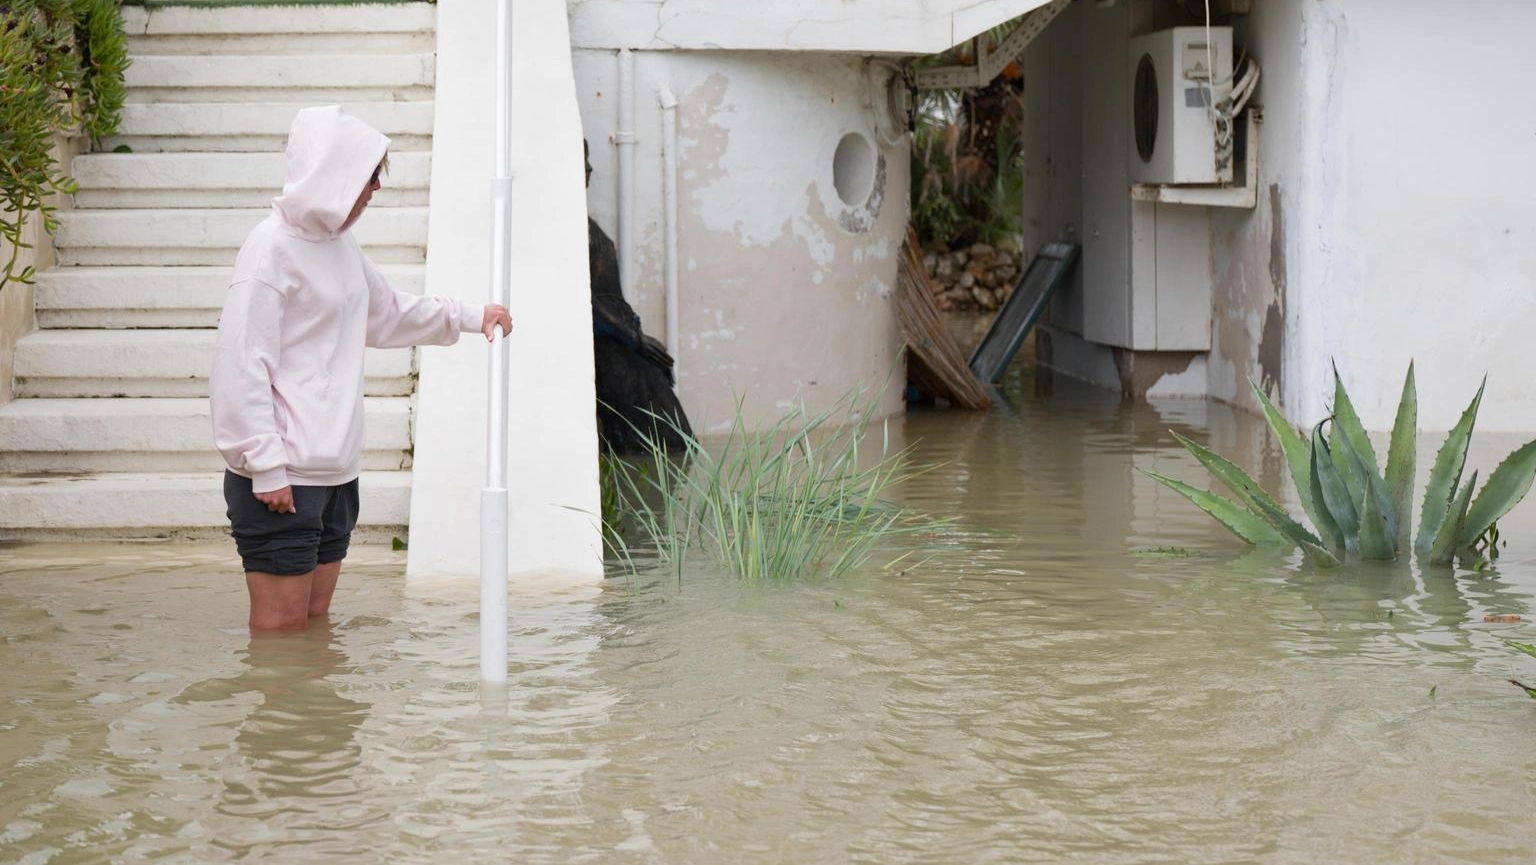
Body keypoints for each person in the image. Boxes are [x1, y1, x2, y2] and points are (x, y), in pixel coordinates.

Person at [211, 105, 512, 632]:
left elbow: (386, 313)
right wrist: (265, 464)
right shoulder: (269, 252)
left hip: (336, 474)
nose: (375, 189)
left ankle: (321, 718)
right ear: (335, 175)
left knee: (312, 626)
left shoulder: (338, 245)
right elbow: (240, 365)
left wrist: (469, 315)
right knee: (280, 637)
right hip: (283, 480)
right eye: (370, 176)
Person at [584, 140, 693, 453]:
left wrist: (638, 341)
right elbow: (588, 301)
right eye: (583, 160)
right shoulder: (577, 231)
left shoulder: (588, 228)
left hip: (621, 341)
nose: (590, 169)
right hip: (610, 348)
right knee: (658, 434)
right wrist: (639, 341)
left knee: (668, 429)